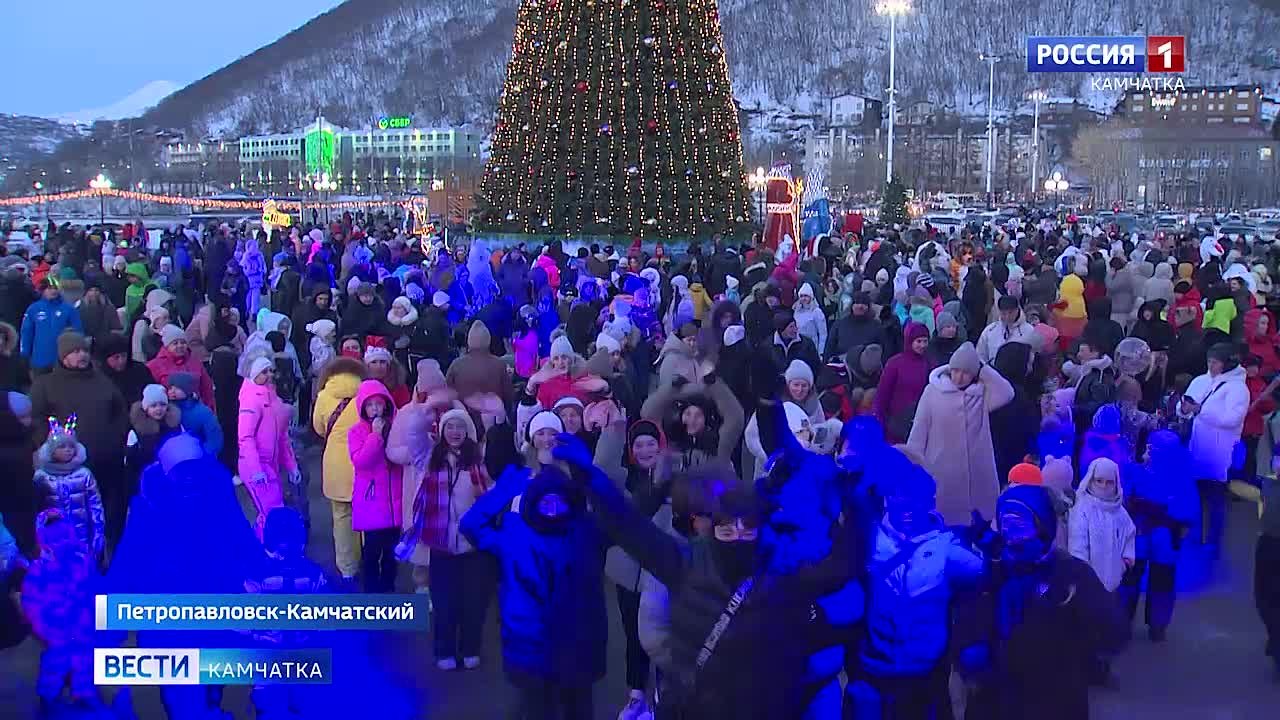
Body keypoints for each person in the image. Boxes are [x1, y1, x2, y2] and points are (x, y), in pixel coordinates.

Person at [958, 484, 1128, 719]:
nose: (1011, 533)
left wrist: (1085, 653)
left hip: (1054, 700)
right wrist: (970, 653)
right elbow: (967, 623)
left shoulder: (1072, 574)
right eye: (1006, 523)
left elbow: (1113, 632)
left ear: (1043, 524)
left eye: (1020, 523)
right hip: (994, 699)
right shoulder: (993, 571)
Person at [461, 461, 607, 720]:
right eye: (545, 502)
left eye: (558, 502)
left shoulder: (585, 533)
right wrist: (502, 492)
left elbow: (622, 519)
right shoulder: (514, 535)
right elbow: (471, 525)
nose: (552, 510)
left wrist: (592, 477)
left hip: (577, 645)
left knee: (578, 710)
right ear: (533, 502)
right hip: (530, 647)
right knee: (537, 709)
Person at [848, 456, 984, 718]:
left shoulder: (949, 550)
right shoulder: (867, 540)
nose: (907, 506)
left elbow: (987, 575)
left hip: (923, 680)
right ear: (887, 498)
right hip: (870, 678)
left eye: (916, 498)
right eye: (899, 496)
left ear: (930, 502)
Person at [407, 407, 496, 670]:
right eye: (449, 427)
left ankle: (470, 648)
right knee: (444, 603)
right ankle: (444, 650)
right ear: (442, 430)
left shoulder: (478, 462)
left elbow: (489, 496)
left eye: (459, 427)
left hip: (473, 543)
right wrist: (427, 406)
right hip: (441, 542)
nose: (455, 432)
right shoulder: (430, 458)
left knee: (473, 601)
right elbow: (414, 435)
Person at [29, 332, 129, 548]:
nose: (81, 354)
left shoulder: (102, 379)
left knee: (108, 513)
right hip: (66, 469)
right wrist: (50, 448)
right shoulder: (46, 385)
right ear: (63, 356)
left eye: (84, 350)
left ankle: (107, 552)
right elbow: (36, 419)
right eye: (75, 351)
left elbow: (120, 410)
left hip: (107, 460)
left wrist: (117, 438)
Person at [907, 341, 1014, 525]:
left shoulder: (981, 394)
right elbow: (919, 429)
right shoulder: (933, 391)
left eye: (966, 372)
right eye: (955, 370)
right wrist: (912, 467)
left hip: (977, 477)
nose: (959, 377)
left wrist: (983, 368)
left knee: (978, 531)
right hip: (941, 472)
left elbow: (1007, 392)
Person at [21, 509, 105, 711]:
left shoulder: (82, 561)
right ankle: (48, 693)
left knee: (85, 658)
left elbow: (94, 587)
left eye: (66, 536)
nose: (63, 543)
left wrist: (96, 612)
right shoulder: (39, 569)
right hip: (56, 625)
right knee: (56, 661)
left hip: (82, 621)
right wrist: (44, 624)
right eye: (56, 539)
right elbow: (31, 601)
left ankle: (83, 691)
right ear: (44, 541)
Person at [1121, 430, 1198, 643]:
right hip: (1164, 537)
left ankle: (1124, 620)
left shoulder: (1138, 471)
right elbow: (1189, 511)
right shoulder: (1182, 477)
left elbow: (1125, 499)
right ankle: (1157, 625)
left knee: (1131, 578)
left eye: (1150, 448)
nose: (1147, 451)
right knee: (1161, 581)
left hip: (1140, 534)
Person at [1182, 343, 1249, 547]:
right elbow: (1185, 406)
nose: (1211, 366)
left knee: (1215, 498)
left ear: (1227, 364)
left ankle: (1213, 540)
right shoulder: (1200, 381)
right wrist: (1183, 408)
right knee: (1195, 495)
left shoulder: (1238, 389)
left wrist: (1200, 410)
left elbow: (1232, 419)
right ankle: (1195, 536)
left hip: (1219, 453)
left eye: (1215, 362)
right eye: (1209, 361)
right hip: (1197, 448)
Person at [313, 356, 368, 583]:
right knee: (364, 515)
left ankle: (347, 568)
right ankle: (365, 558)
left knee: (341, 516)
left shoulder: (325, 395)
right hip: (363, 461)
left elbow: (318, 427)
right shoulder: (366, 393)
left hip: (335, 463)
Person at [348, 379, 404, 593]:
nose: (375, 409)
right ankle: (371, 591)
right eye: (370, 405)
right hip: (372, 502)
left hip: (394, 501)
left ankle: (388, 588)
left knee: (392, 552)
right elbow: (361, 461)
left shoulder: (396, 427)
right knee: (371, 550)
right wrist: (375, 436)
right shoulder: (356, 432)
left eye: (379, 404)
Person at [239, 357, 302, 539]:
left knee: (269, 513)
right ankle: (267, 550)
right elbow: (245, 438)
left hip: (271, 465)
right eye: (264, 372)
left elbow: (282, 437)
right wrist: (256, 470)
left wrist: (291, 466)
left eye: (270, 371)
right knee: (273, 511)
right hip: (256, 466)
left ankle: (260, 547)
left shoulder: (274, 399)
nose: (269, 375)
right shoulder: (250, 400)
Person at [33, 417, 105, 563]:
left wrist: (99, 533)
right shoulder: (42, 476)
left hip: (81, 537)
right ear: (52, 450)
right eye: (62, 446)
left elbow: (95, 505)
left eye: (71, 446)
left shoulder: (84, 474)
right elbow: (35, 507)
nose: (67, 450)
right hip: (53, 538)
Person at [874, 322, 931, 444]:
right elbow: (882, 395)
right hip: (895, 425)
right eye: (918, 341)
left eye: (925, 341)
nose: (922, 345)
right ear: (910, 341)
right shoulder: (895, 364)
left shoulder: (929, 363)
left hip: (919, 423)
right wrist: (881, 422)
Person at [19, 279, 83, 374]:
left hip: (63, 360)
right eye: (49, 288)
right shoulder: (34, 309)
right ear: (43, 290)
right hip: (39, 359)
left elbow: (78, 332)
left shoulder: (69, 309)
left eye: (56, 288)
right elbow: (26, 332)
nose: (53, 291)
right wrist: (25, 354)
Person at [147, 325, 216, 410]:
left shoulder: (195, 362)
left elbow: (207, 389)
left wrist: (209, 409)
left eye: (183, 342)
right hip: (168, 412)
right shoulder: (154, 365)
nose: (180, 346)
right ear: (167, 346)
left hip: (194, 409)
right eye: (175, 343)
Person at [126, 383, 183, 476]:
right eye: (153, 406)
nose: (159, 409)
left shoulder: (175, 425)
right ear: (146, 408)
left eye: (162, 405)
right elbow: (130, 462)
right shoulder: (136, 431)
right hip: (146, 476)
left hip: (172, 475)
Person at [166, 372, 222, 458]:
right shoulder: (165, 410)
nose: (172, 391)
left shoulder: (203, 412)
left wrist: (202, 456)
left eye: (177, 388)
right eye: (170, 388)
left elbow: (214, 439)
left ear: (187, 389)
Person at [976, 295, 1039, 364]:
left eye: (1011, 313)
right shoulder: (989, 330)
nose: (1007, 317)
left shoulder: (1029, 330)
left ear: (1017, 310)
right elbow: (980, 355)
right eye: (1004, 313)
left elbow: (1033, 356)